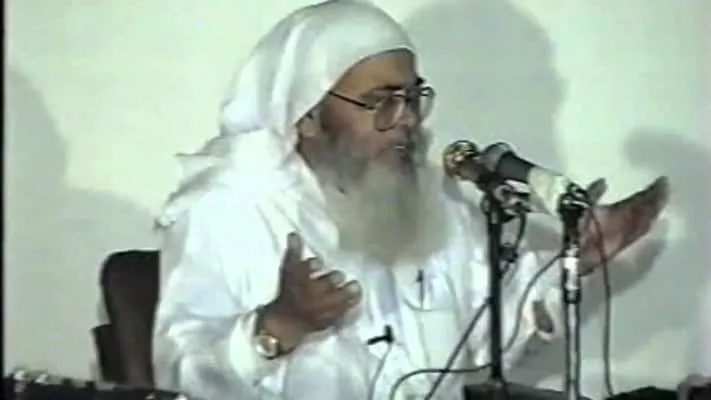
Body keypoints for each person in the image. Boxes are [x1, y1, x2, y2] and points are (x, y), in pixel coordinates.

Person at [151, 1, 669, 399]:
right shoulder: (229, 206)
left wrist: (576, 262)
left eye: (412, 98)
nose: (406, 120)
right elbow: (177, 374)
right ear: (307, 115)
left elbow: (483, 340)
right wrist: (278, 326)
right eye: (380, 102)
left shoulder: (430, 203)